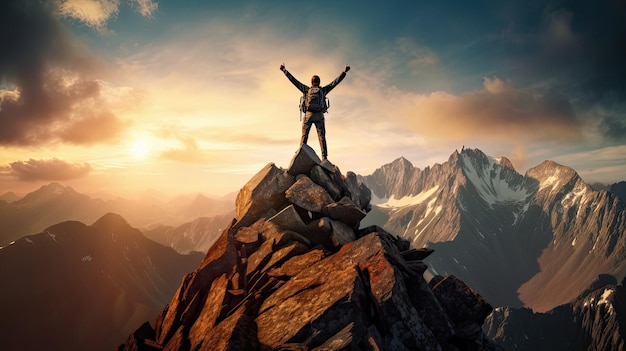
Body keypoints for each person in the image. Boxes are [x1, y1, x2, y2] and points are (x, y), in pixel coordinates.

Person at [280, 63, 350, 160]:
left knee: (304, 136)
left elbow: (294, 81)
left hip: (308, 116)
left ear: (312, 82)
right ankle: (324, 157)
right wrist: (344, 72)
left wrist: (284, 70)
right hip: (319, 116)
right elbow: (335, 82)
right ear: (319, 82)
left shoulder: (306, 89)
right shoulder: (323, 90)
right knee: (322, 137)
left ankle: (300, 155)